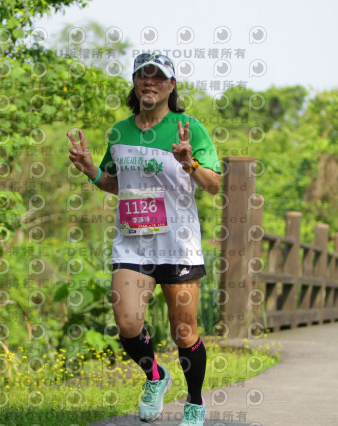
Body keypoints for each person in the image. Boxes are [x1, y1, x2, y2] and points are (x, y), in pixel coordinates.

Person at [67, 53, 221, 426]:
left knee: (184, 332)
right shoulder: (119, 132)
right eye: (142, 75)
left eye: (158, 76)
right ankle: (155, 376)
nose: (149, 81)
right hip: (133, 242)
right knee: (128, 324)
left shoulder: (189, 128)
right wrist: (90, 170)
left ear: (171, 85)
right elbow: (114, 183)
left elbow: (214, 185)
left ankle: (195, 403)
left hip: (178, 244)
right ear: (135, 83)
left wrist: (189, 162)